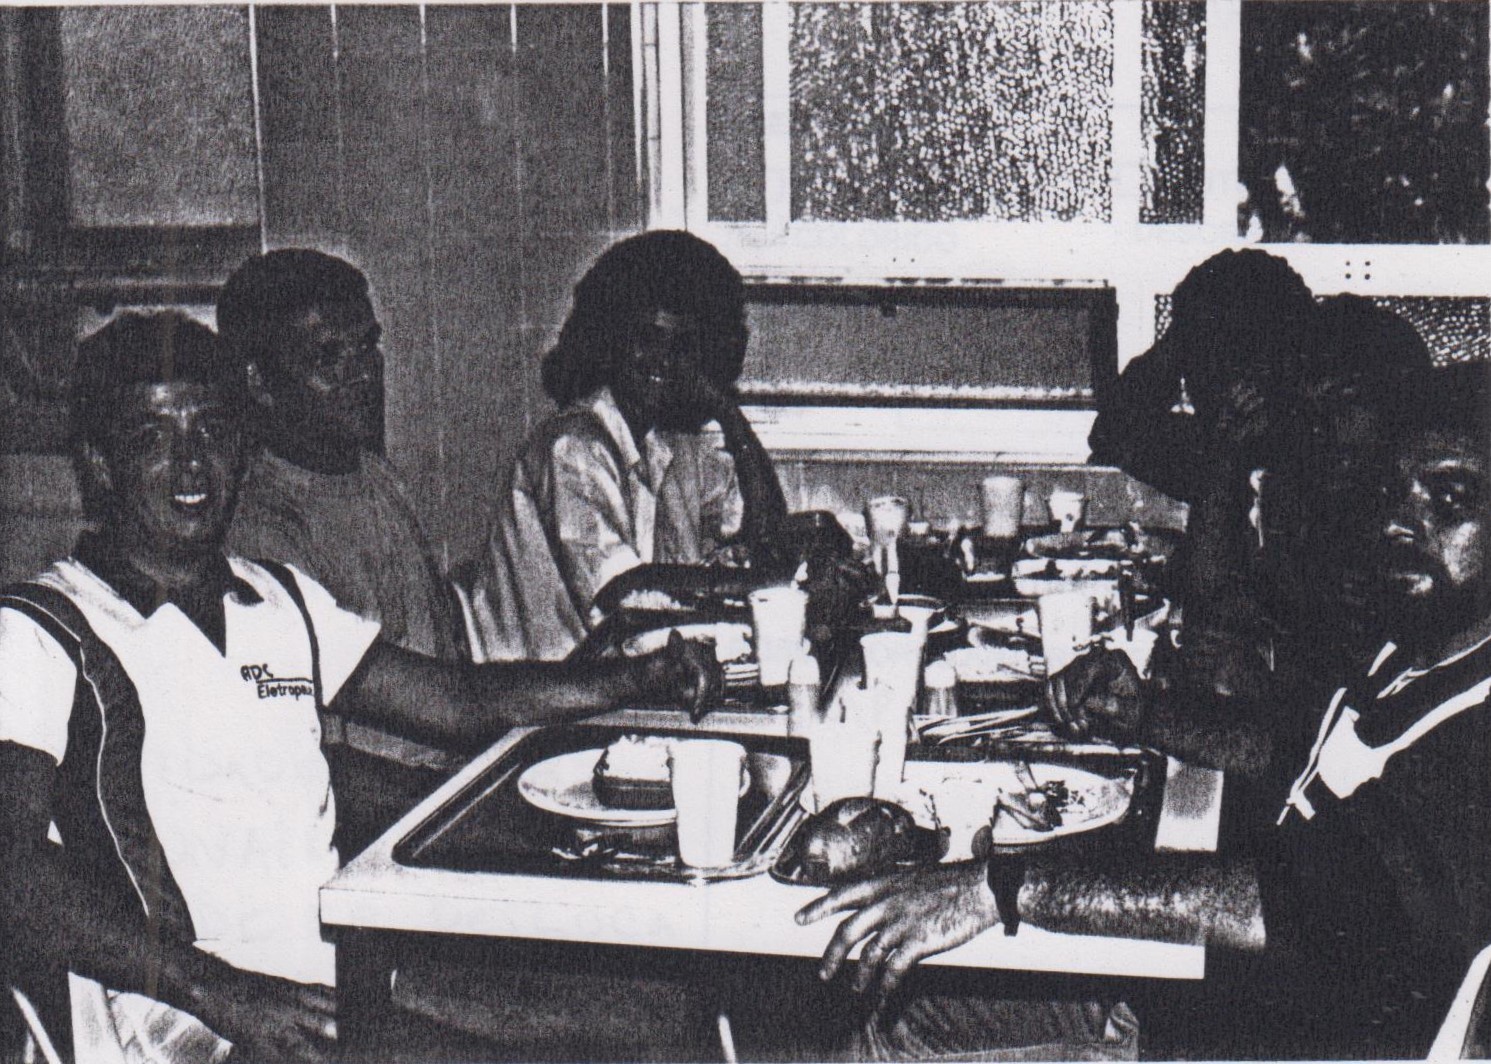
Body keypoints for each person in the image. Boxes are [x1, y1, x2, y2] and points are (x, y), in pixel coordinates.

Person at [0, 311, 718, 1063]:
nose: (190, 465)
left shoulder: (276, 598)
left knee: (657, 1015)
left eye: (211, 430)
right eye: (151, 437)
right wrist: (223, 992)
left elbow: (459, 704)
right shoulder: (45, 629)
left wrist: (639, 676)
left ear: (241, 447)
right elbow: (12, 870)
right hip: (188, 1016)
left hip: (334, 968)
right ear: (100, 465)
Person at [800, 362, 1491, 1060]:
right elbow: (1295, 758)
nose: (1399, 522)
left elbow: (1290, 902)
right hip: (1198, 1003)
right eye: (1388, 494)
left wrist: (999, 886)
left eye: (1451, 497)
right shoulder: (1419, 643)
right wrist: (1146, 716)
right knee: (894, 1021)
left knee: (880, 1046)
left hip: (1258, 1048)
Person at [217, 249, 467, 847]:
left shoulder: (369, 472)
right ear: (259, 382)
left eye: (368, 348)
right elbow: (326, 772)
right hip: (378, 834)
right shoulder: (262, 532)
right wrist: (468, 808)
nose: (362, 374)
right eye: (328, 358)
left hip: (444, 784)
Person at [464, 230, 789, 663]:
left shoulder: (667, 445)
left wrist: (726, 411)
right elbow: (628, 598)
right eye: (647, 337)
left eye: (683, 345)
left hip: (621, 691)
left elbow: (764, 531)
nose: (664, 360)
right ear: (609, 338)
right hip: (547, 704)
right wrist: (764, 585)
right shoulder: (572, 448)